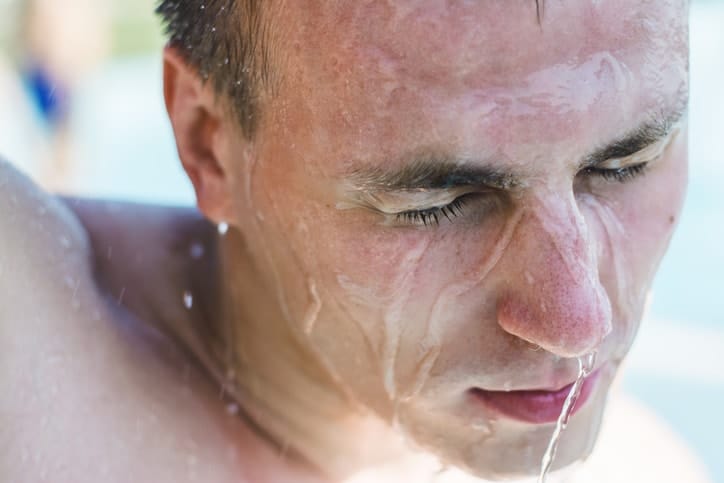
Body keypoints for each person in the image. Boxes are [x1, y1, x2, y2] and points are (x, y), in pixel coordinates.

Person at [0, 1, 711, 482]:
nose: (577, 324)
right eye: (440, 202)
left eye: (627, 164)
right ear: (208, 145)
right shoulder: (38, 355)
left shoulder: (649, 467)